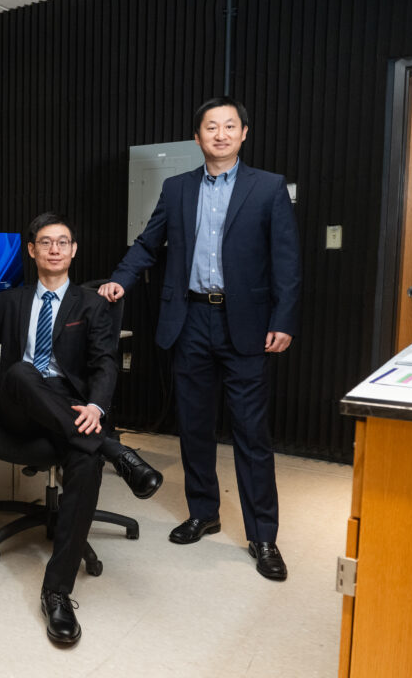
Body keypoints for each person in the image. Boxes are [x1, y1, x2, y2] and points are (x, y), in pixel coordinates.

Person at [98, 97, 301, 581]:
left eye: (230, 126)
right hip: (190, 320)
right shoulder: (177, 188)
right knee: (193, 427)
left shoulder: (268, 187)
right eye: (211, 127)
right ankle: (204, 512)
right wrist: (120, 280)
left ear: (244, 133)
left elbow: (287, 261)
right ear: (198, 137)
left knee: (251, 433)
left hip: (246, 324)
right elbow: (148, 243)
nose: (221, 134)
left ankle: (263, 536)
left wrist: (284, 319)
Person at [0, 212, 162, 646]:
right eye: (45, 242)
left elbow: (104, 364)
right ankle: (114, 450)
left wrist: (96, 407)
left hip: (72, 408)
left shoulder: (91, 304)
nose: (54, 249)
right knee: (21, 372)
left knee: (84, 462)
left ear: (73, 250)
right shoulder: (11, 300)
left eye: (62, 242)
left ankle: (57, 593)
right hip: (21, 406)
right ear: (32, 250)